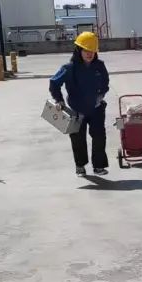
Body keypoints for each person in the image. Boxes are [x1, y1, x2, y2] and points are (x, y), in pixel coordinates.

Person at [48, 31, 110, 176]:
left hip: (96, 109)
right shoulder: (69, 68)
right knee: (78, 139)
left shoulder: (99, 66)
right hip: (76, 110)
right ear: (79, 50)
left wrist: (101, 95)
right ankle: (80, 166)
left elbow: (105, 82)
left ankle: (99, 166)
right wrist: (59, 100)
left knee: (99, 137)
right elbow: (54, 83)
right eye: (86, 50)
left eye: (92, 51)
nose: (89, 54)